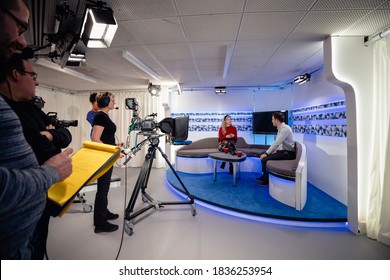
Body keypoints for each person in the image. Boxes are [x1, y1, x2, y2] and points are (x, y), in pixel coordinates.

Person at [0, 0, 73, 259]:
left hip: (26, 232)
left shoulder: (31, 107)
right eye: (20, 27)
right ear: (16, 75)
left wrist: (51, 133)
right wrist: (50, 172)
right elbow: (43, 148)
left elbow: (65, 135)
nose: (22, 41)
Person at [91, 92, 119, 233]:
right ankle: (100, 223)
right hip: (104, 158)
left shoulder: (103, 117)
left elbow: (105, 137)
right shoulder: (100, 117)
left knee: (105, 188)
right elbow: (95, 139)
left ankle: (104, 212)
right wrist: (110, 151)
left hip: (108, 155)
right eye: (113, 100)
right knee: (102, 189)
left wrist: (115, 146)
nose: (114, 103)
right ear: (107, 102)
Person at [257, 112, 295, 186]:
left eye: (272, 119)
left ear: (277, 120)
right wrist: (274, 151)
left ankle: (266, 180)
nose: (272, 121)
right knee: (262, 154)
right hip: (283, 151)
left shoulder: (285, 129)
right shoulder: (280, 128)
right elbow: (280, 143)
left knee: (264, 158)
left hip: (288, 153)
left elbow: (277, 142)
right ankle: (264, 175)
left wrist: (267, 153)